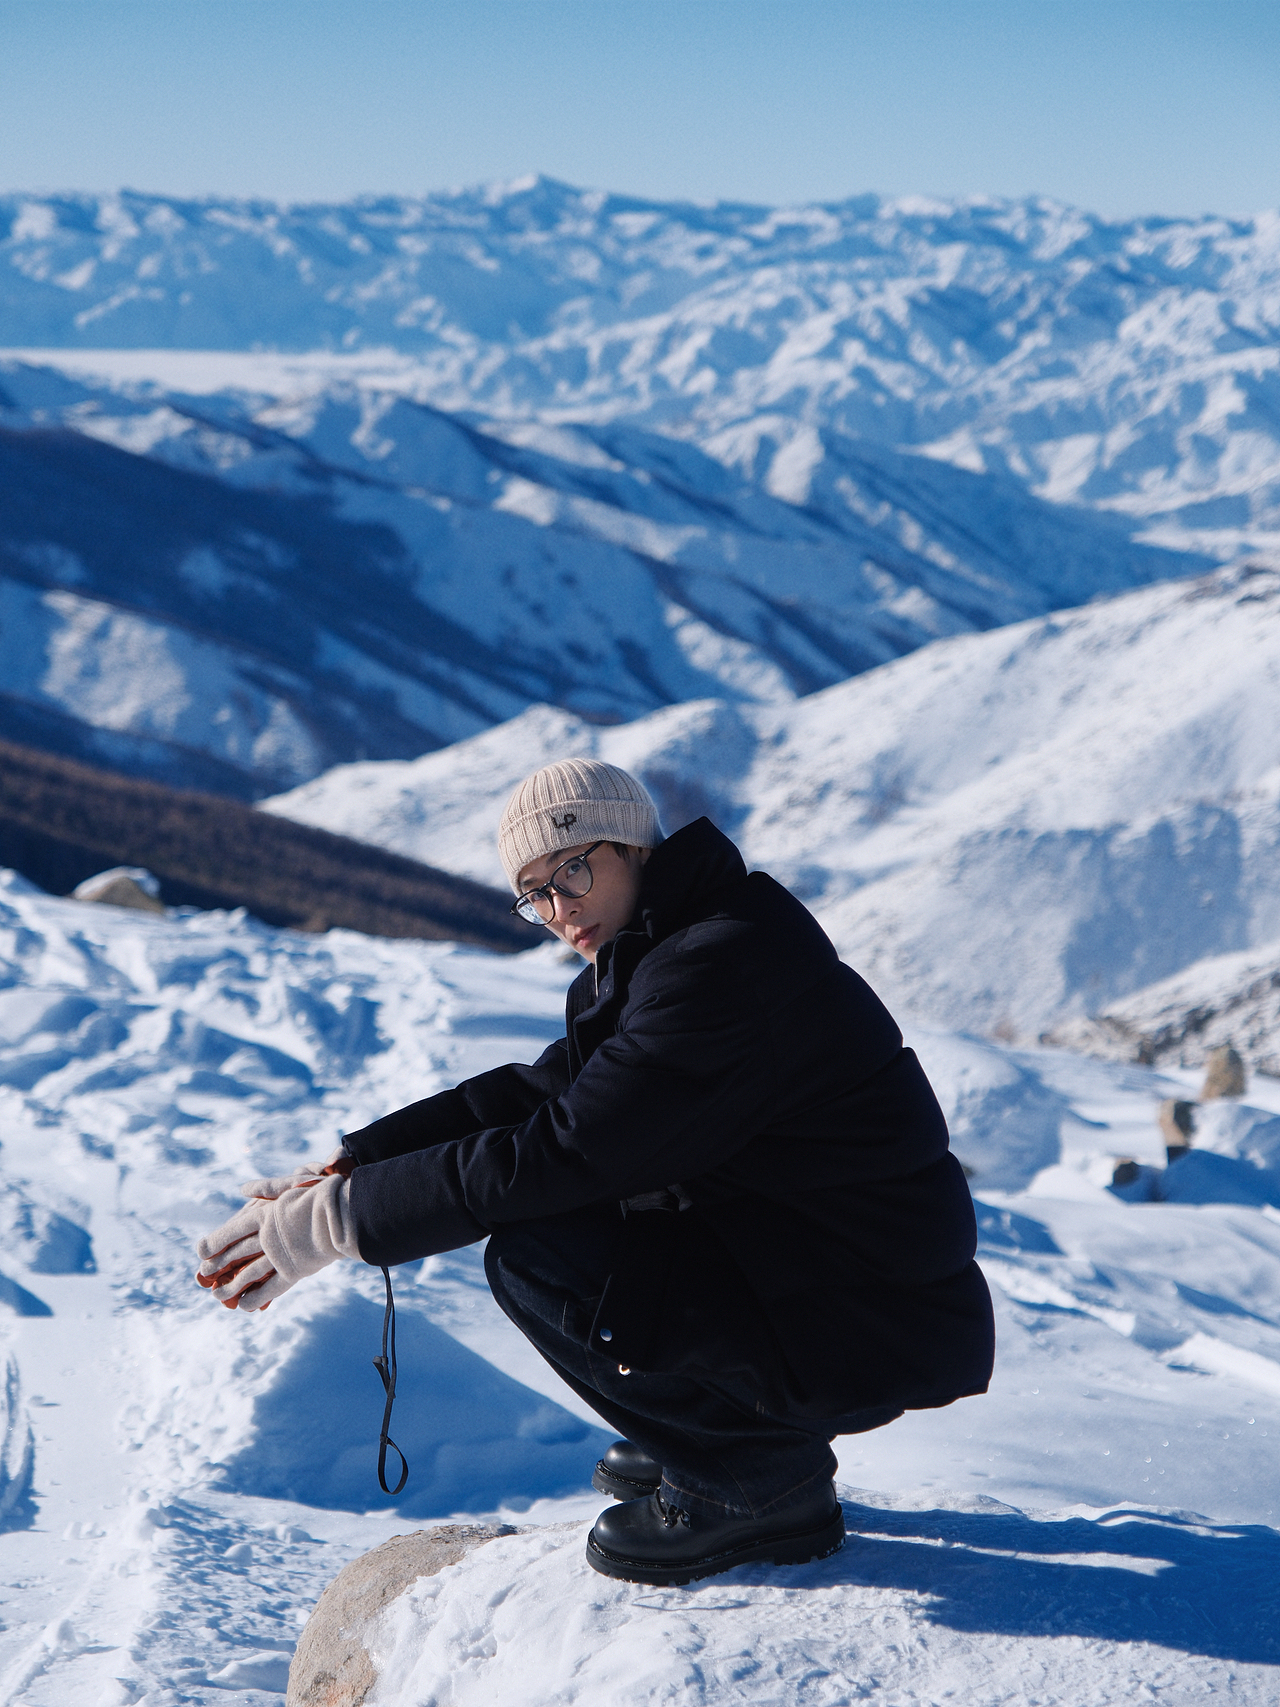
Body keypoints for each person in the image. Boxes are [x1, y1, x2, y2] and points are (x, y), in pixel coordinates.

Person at [195, 759, 994, 1587]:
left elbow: (567, 1151)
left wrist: (339, 1221)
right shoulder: (667, 945)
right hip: (827, 1277)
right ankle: (732, 1431)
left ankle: (754, 1479)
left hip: (866, 1317)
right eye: (534, 891)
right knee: (587, 1225)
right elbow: (543, 1091)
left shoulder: (713, 967)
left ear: (634, 847)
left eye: (573, 868)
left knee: (538, 1251)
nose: (558, 907)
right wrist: (360, 1160)